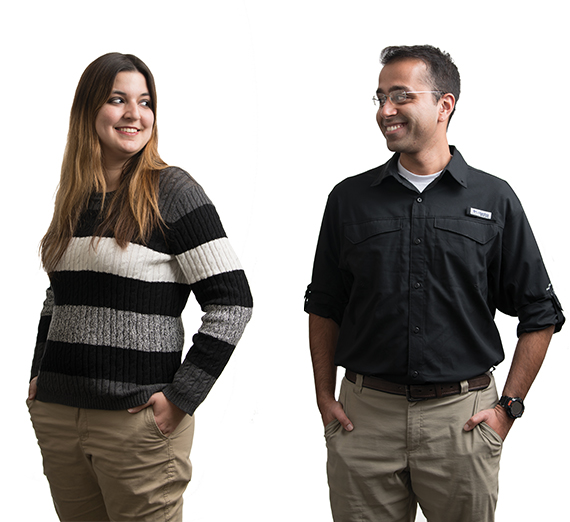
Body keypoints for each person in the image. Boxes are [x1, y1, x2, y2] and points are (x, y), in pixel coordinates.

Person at [304, 44, 564, 522]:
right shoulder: (349, 199)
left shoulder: (494, 198)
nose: (385, 110)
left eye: (401, 96)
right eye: (380, 97)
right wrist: (324, 395)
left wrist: (509, 407)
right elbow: (324, 304)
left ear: (444, 105)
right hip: (364, 419)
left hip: (461, 423)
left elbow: (541, 314)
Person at [27, 52, 253, 522]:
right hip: (60, 418)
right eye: (117, 99)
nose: (135, 114)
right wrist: (37, 378)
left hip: (136, 426)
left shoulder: (170, 191)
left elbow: (232, 301)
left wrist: (182, 397)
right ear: (88, 110)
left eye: (145, 101)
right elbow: (57, 299)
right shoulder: (74, 196)